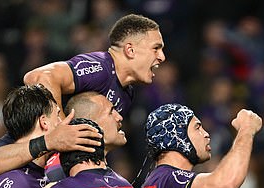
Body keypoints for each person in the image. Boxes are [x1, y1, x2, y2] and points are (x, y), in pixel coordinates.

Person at [23, 13, 165, 118]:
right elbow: (37, 77)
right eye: (156, 48)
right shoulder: (100, 67)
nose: (162, 57)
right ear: (130, 50)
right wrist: (60, 131)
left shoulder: (127, 94)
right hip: (22, 152)